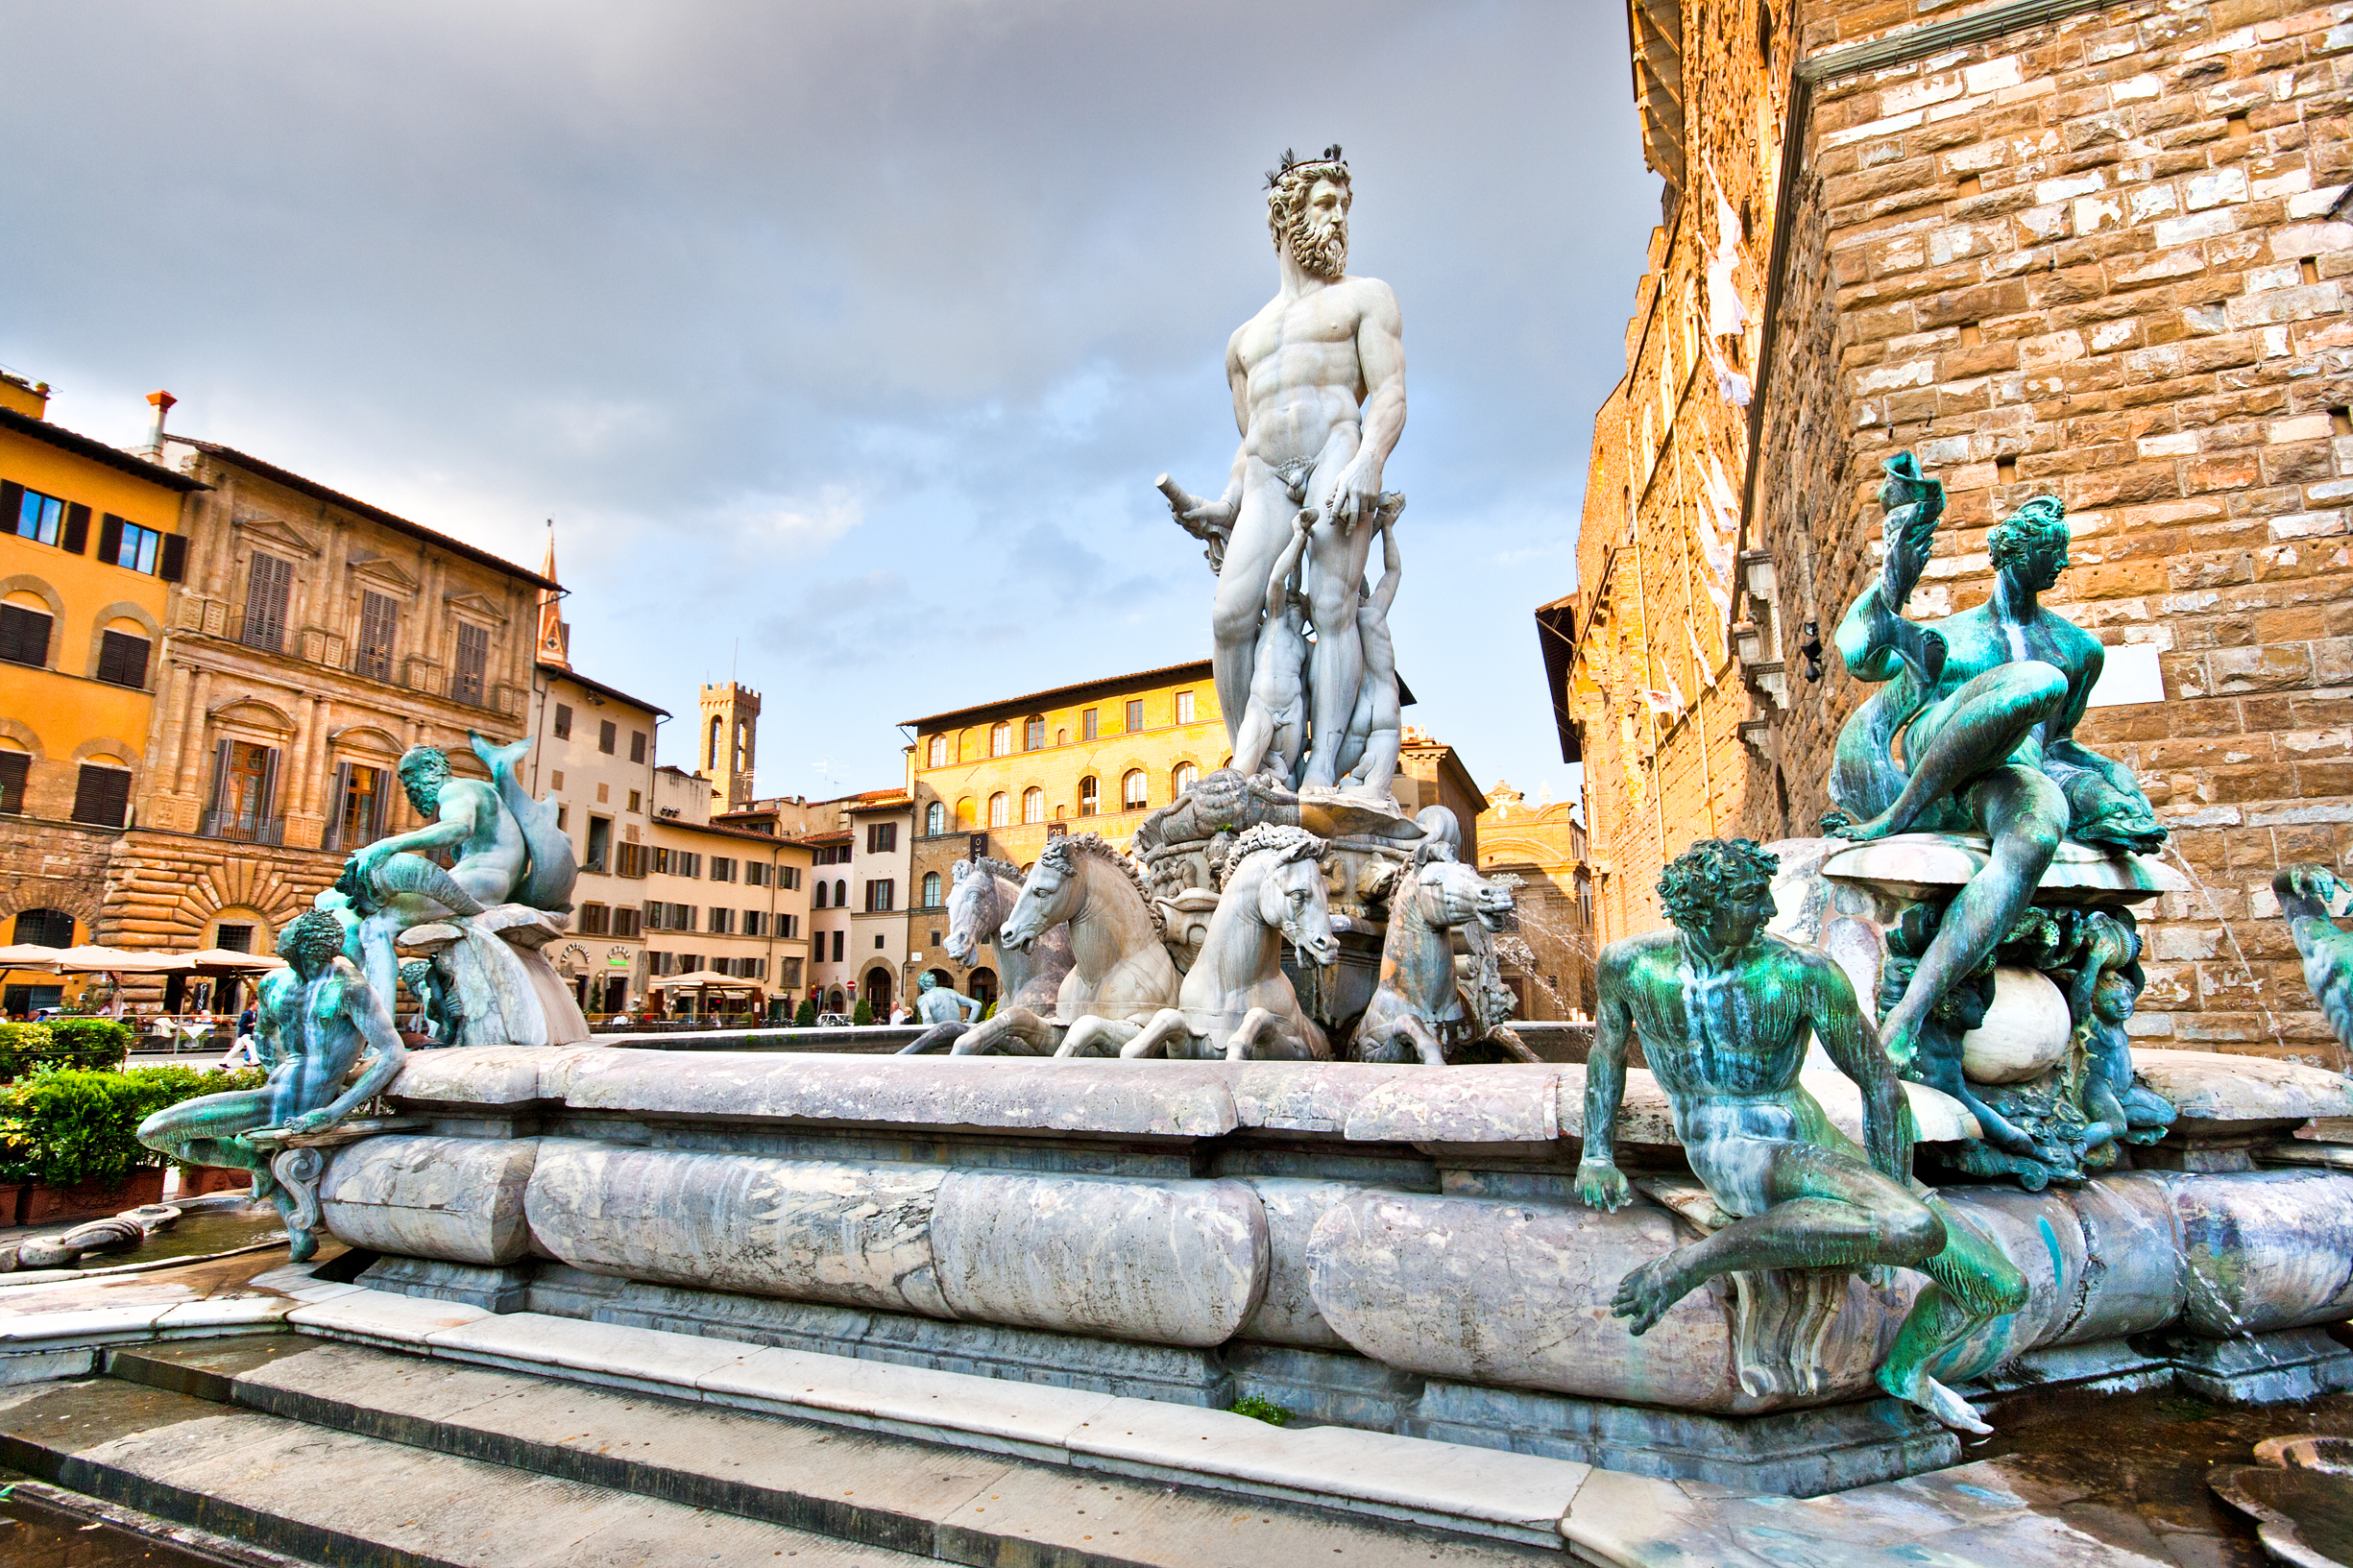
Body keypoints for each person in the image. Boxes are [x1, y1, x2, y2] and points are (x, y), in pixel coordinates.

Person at [1577, 838, 2027, 1435]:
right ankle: (1685, 1267)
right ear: (1700, 905)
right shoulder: (1631, 965)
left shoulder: (1802, 972)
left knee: (1999, 1287)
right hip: (1733, 1152)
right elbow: (1606, 1054)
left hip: (1813, 1144)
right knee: (1913, 1227)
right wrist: (1596, 1153)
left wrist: (1889, 1195)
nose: (1767, 910)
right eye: (1748, 898)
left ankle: (1906, 1371)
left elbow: (1881, 1088)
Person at [1828, 478, 2165, 1070]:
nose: (2061, 563)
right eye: (2051, 550)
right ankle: (1898, 815)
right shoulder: (1954, 637)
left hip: (2006, 776)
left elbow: (2058, 744)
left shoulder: (2080, 649)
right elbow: (1860, 654)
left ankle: (1908, 1017)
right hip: (1940, 757)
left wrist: (2113, 782)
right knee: (2038, 681)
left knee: (2039, 830)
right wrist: (1894, 576)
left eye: (2063, 551)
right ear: (2013, 551)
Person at [1158, 147, 1406, 788]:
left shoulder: (1367, 298)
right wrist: (1224, 501)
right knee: (1230, 617)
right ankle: (1258, 767)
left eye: (1345, 205)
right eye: (1325, 205)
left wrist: (1369, 461)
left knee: (1332, 606)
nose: (1340, 217)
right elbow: (1251, 440)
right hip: (1269, 476)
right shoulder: (1243, 341)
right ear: (1287, 218)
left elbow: (1390, 396)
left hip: (1336, 454)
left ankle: (1321, 768)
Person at [137, 909, 408, 1260]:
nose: (282, 933)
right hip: (275, 1093)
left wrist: (333, 1111)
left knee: (155, 1131)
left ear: (305, 943)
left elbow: (393, 1054)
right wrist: (276, 1071)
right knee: (164, 1136)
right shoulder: (273, 983)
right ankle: (266, 1175)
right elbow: (264, 1035)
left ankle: (270, 1183)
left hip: (305, 1103)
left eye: (290, 929)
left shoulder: (350, 989)